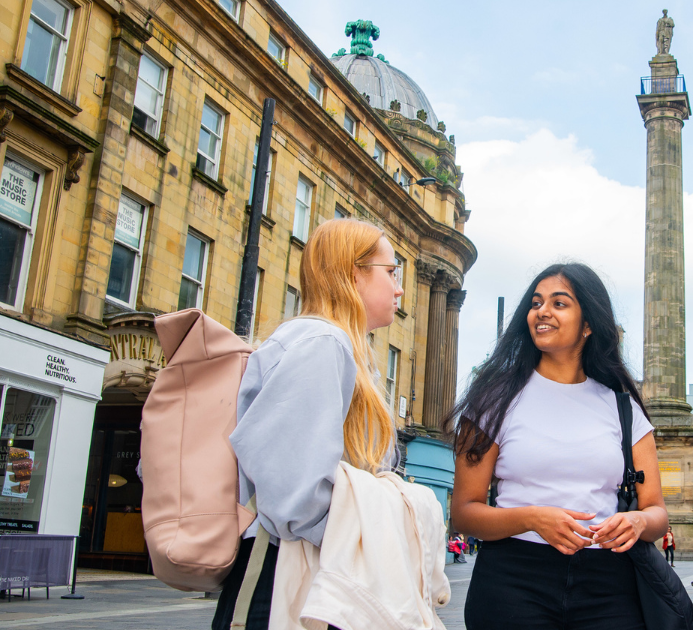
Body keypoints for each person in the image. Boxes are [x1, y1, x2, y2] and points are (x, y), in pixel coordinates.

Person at [447, 263, 669, 630]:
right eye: (536, 303)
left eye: (559, 303)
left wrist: (637, 521)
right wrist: (532, 519)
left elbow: (657, 512)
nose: (542, 312)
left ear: (588, 324)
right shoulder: (493, 401)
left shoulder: (622, 408)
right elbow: (464, 513)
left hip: (608, 583)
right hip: (513, 579)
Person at [211, 219, 405, 630]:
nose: (398, 288)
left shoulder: (331, 346)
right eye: (391, 272)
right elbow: (294, 496)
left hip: (303, 573)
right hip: (285, 576)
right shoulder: (322, 343)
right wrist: (372, 533)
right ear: (354, 273)